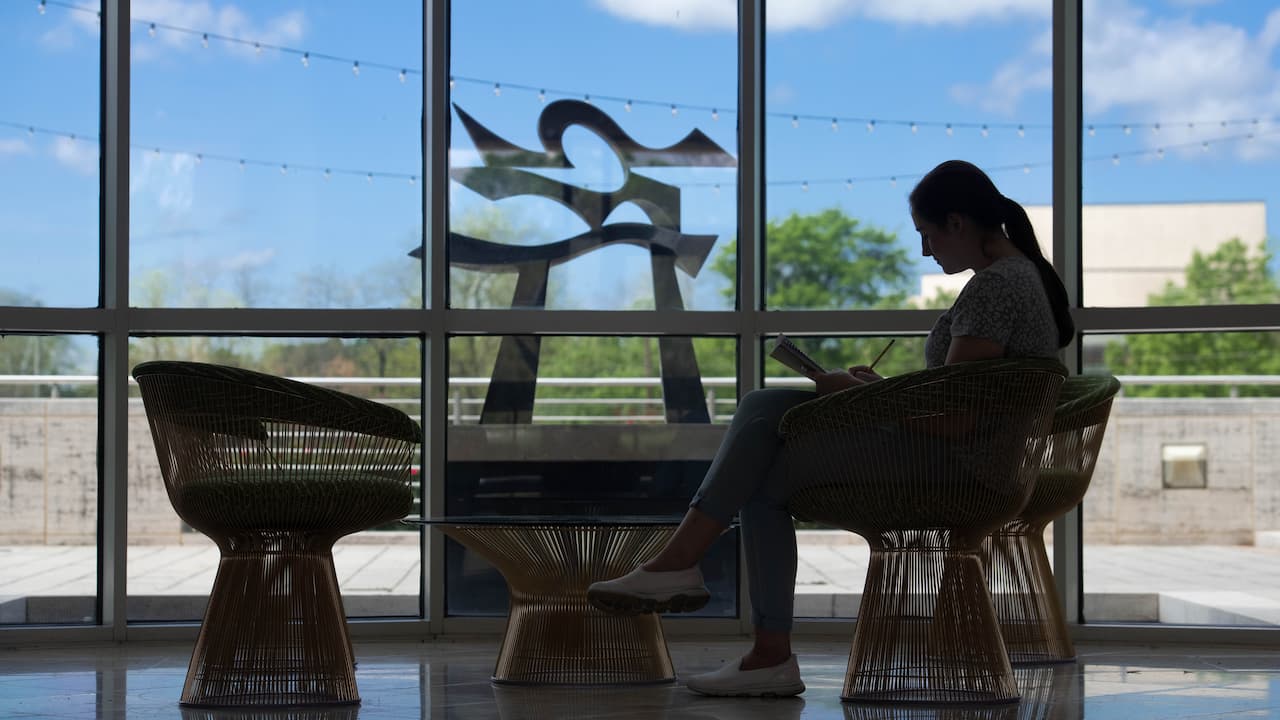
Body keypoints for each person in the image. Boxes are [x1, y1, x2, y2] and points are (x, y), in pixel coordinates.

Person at [586, 159, 1075, 697]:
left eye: (927, 234)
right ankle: (703, 589)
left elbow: (956, 422)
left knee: (763, 457)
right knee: (764, 411)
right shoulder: (1018, 279)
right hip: (969, 463)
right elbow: (963, 401)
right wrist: (880, 389)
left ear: (957, 223)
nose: (925, 251)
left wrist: (862, 397)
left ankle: (730, 614)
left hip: (959, 469)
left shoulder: (996, 287)